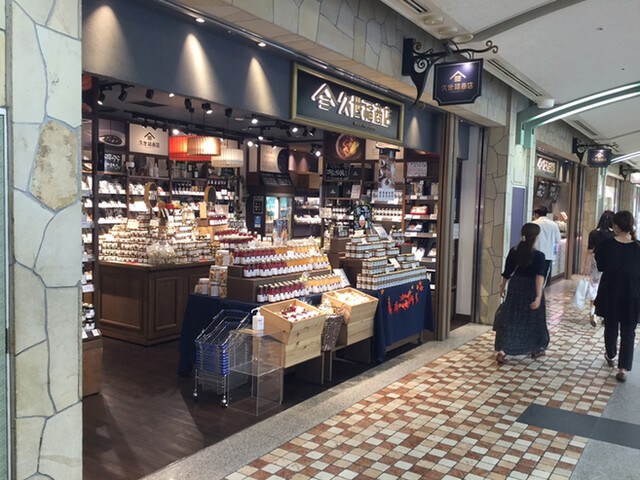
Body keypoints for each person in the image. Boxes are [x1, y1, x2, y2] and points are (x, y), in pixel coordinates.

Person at [594, 210, 640, 382]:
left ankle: (611, 354)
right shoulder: (638, 247)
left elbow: (601, 266)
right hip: (632, 293)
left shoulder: (606, 245)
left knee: (611, 325)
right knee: (628, 331)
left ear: (616, 226)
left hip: (610, 291)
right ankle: (623, 369)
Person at [494, 223, 550, 364]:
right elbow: (539, 276)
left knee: (512, 317)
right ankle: (536, 348)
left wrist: (502, 287)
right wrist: (538, 296)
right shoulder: (539, 256)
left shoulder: (514, 251)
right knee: (533, 318)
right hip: (531, 288)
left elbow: (507, 272)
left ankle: (503, 350)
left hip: (516, 287)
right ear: (536, 237)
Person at [582, 211, 614, 326]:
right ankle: (605, 315)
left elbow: (590, 251)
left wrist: (585, 266)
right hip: (610, 264)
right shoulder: (614, 234)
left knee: (594, 286)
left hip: (596, 262)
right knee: (608, 288)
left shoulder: (593, 233)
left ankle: (593, 312)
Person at [533, 206, 562, 285]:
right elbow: (558, 240)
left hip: (535, 254)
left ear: (536, 214)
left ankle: (534, 291)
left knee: (533, 277)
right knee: (543, 277)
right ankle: (540, 291)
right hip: (548, 256)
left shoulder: (533, 224)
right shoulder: (554, 225)